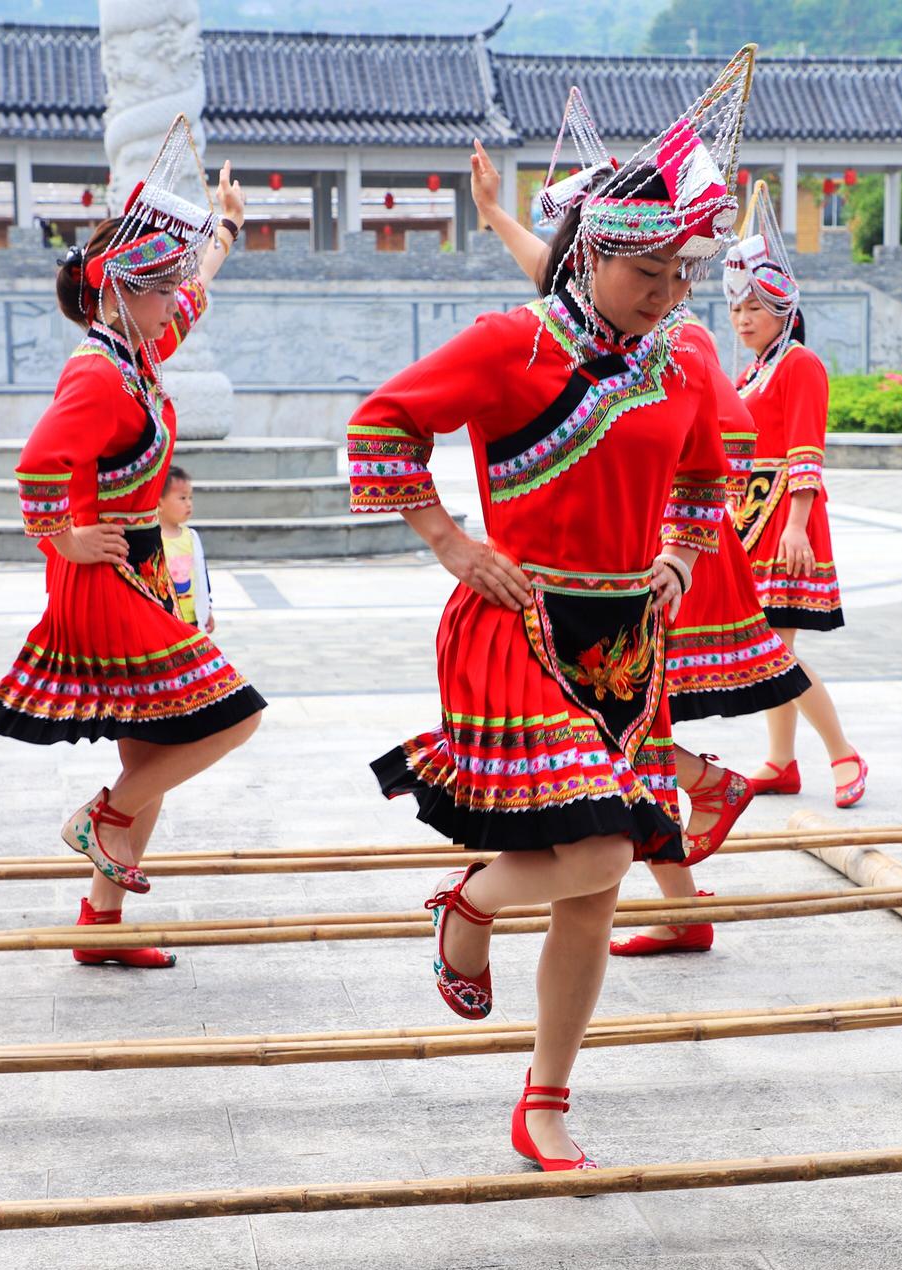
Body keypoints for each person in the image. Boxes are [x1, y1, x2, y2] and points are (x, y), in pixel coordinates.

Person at [349, 49, 751, 1169]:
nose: (668, 292)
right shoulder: (508, 345)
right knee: (598, 850)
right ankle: (467, 908)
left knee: (598, 880)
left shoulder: (678, 363)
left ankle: (547, 1092)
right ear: (588, 255)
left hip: (628, 642)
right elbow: (380, 427)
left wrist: (677, 554)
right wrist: (447, 538)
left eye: (680, 273)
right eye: (648, 273)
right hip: (517, 621)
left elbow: (702, 479)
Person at [468, 121, 797, 957]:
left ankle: (702, 796)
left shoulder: (673, 339)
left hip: (655, 557)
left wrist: (674, 532)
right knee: (621, 739)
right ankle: (689, 872)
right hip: (615, 557)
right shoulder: (596, 323)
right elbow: (551, 281)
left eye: (671, 271)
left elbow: (726, 444)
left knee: (620, 740)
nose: (661, 286)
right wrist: (495, 216)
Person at [0, 122, 263, 967]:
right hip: (107, 577)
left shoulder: (134, 353)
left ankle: (100, 925)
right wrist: (65, 540)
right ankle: (100, 819)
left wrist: (226, 231)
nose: (177, 298)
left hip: (136, 568)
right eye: (162, 287)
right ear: (121, 292)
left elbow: (199, 293)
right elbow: (36, 468)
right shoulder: (99, 372)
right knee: (231, 717)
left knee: (153, 747)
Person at [724, 181, 866, 809]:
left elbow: (807, 449)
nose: (743, 317)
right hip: (750, 515)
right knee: (769, 648)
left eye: (755, 305)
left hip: (785, 514)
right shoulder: (751, 371)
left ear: (784, 306)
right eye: (736, 308)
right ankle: (781, 760)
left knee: (775, 651)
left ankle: (842, 752)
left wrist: (796, 525)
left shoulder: (800, 363)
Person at [159, 465, 213, 633]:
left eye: (190, 498)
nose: (188, 504)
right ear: (159, 503)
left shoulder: (191, 537)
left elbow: (201, 576)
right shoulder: (154, 539)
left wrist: (207, 608)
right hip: (165, 620)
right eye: (182, 498)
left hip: (192, 619)